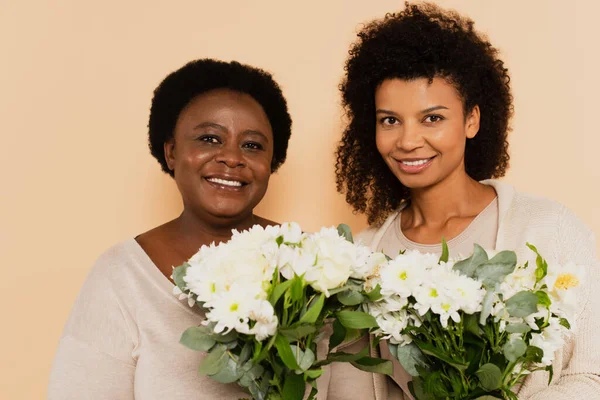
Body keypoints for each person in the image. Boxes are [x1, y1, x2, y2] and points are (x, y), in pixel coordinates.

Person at [334, 3, 600, 399]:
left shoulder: (550, 228)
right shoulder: (361, 256)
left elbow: (591, 377)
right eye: (390, 120)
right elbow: (349, 390)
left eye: (432, 118)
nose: (407, 141)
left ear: (472, 120)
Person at [48, 58, 295, 399]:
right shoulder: (122, 276)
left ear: (271, 161)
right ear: (172, 152)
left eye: (252, 145)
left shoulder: (312, 266)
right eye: (209, 139)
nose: (231, 158)